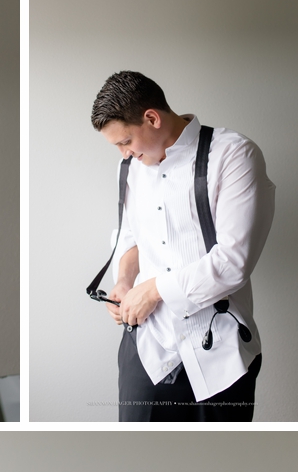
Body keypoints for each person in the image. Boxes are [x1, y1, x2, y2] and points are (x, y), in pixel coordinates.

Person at [91, 71, 275, 422]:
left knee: (214, 467)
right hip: (145, 349)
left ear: (151, 118)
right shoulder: (128, 168)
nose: (124, 152)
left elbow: (232, 262)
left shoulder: (233, 155)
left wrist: (154, 291)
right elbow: (131, 237)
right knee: (137, 464)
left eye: (125, 140)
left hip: (218, 350)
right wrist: (125, 284)